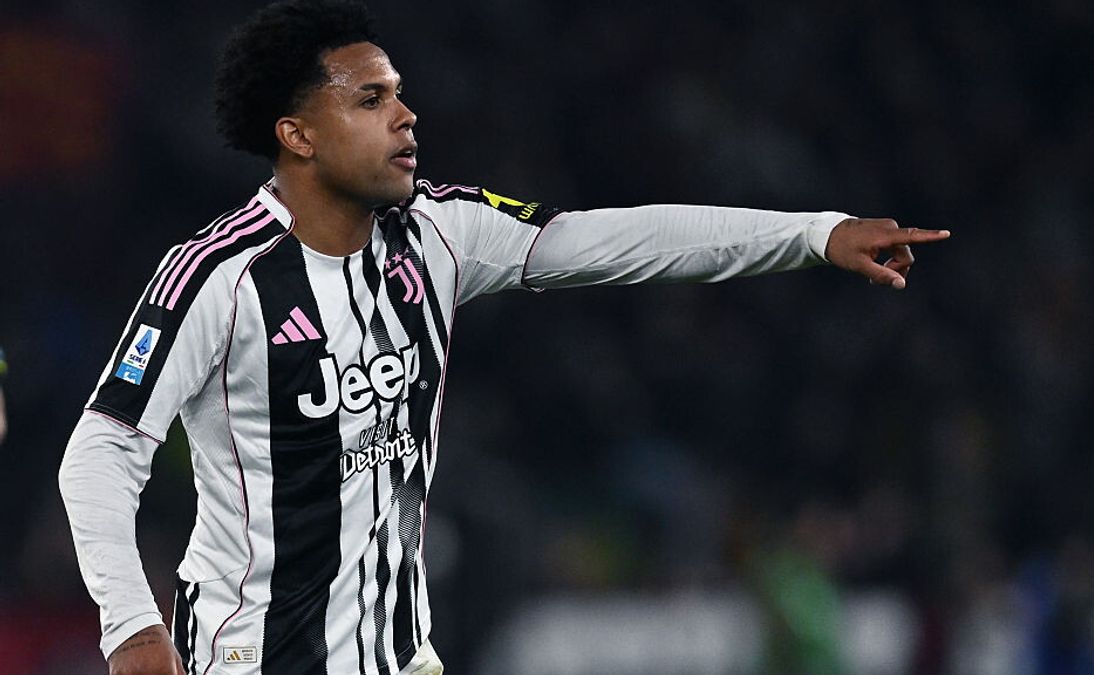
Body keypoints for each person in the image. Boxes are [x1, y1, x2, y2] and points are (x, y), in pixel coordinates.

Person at [58, 1, 950, 674]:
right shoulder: (218, 275)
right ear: (297, 135)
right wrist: (131, 625)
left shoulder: (440, 232)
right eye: (371, 99)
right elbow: (100, 449)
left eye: (400, 94)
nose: (406, 116)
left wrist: (814, 233)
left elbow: (618, 240)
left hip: (401, 656)